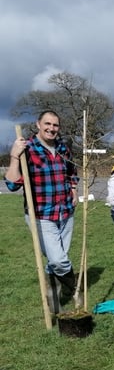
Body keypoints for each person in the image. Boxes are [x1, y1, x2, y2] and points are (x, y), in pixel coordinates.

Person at [4, 110, 80, 312]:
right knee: (58, 260)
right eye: (47, 124)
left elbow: (72, 172)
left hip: (65, 212)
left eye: (55, 125)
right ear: (38, 124)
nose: (51, 128)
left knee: (56, 262)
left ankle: (54, 304)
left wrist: (73, 189)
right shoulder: (27, 149)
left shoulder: (63, 148)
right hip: (41, 215)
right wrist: (14, 156)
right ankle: (73, 289)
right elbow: (11, 184)